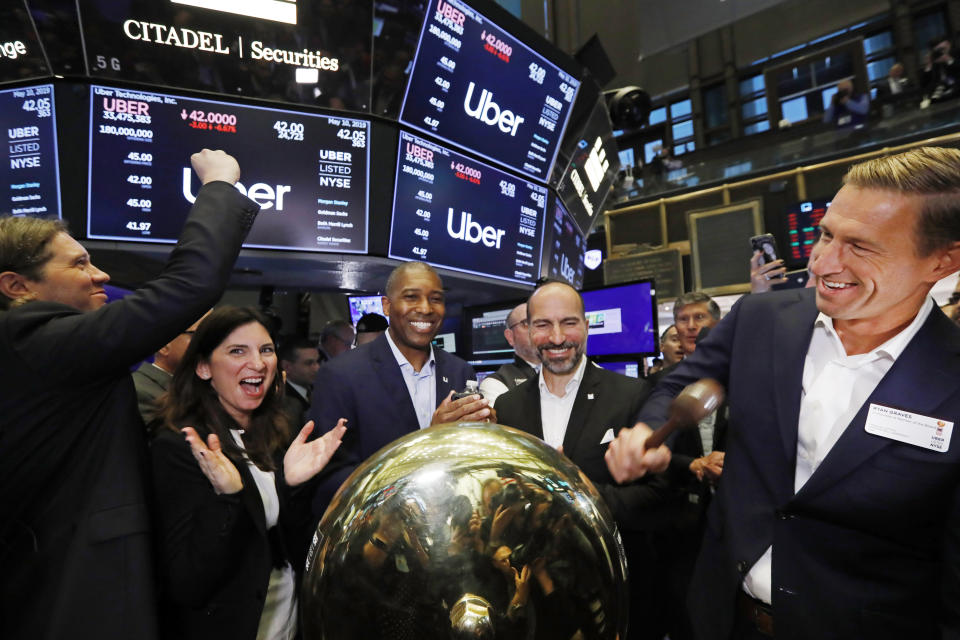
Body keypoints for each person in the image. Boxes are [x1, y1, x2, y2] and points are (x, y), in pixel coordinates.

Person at [607, 146, 960, 639]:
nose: (820, 262)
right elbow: (680, 384)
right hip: (720, 618)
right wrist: (649, 430)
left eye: (860, 246)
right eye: (825, 234)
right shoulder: (761, 319)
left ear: (943, 261)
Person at [0, 149, 259, 640]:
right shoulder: (34, 339)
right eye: (79, 264)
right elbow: (189, 285)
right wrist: (221, 183)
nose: (101, 275)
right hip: (79, 596)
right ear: (18, 286)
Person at [151, 306, 346, 640]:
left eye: (266, 350)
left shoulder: (278, 434)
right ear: (202, 367)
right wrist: (229, 498)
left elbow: (291, 549)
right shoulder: (181, 446)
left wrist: (294, 486)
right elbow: (189, 584)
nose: (257, 363)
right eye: (237, 351)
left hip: (285, 621)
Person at [493, 282, 667, 639]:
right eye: (542, 325)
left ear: (586, 326)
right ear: (527, 330)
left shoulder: (632, 396)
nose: (557, 337)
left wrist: (573, 492)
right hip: (537, 598)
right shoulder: (507, 407)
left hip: (614, 591)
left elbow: (660, 498)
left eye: (568, 323)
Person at [307, 261, 489, 518]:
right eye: (411, 297)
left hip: (448, 528)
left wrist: (484, 436)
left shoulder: (460, 372)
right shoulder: (342, 375)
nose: (425, 309)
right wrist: (429, 441)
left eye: (435, 299)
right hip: (378, 534)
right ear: (386, 306)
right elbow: (329, 477)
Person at [132, 310, 210, 428]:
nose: (208, 344)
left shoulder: (210, 385)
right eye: (198, 335)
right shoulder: (139, 390)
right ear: (164, 345)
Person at [478, 303, 540, 406]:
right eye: (526, 323)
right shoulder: (496, 383)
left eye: (541, 323)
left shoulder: (567, 371)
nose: (536, 329)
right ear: (510, 337)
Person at [278, 335, 322, 430]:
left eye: (317, 362)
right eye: (309, 363)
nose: (317, 368)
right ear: (287, 366)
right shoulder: (282, 400)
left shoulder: (318, 390)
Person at [922, 37, 959, 103]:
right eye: (937, 51)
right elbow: (925, 84)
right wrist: (928, 65)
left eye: (942, 49)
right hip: (940, 96)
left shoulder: (957, 54)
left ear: (948, 44)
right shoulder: (935, 61)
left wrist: (949, 60)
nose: (941, 52)